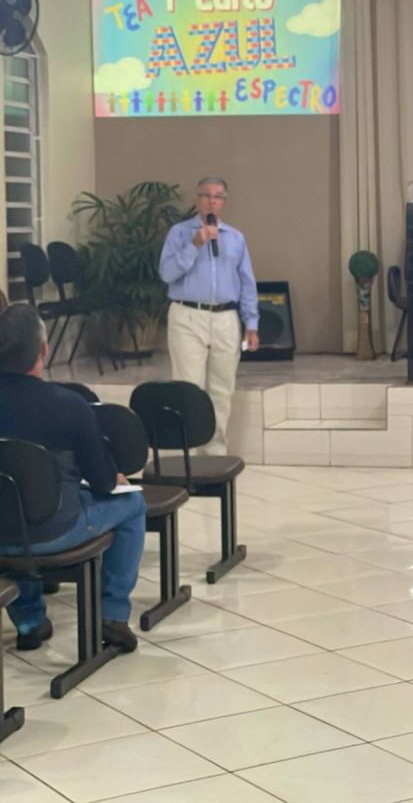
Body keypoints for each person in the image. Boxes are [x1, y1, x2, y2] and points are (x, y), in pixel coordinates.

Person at [0, 304, 146, 652]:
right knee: (133, 504)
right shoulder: (68, 405)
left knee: (15, 506)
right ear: (43, 349)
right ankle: (112, 615)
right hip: (55, 531)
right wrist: (115, 477)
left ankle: (29, 621)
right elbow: (102, 482)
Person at [159, 176, 259, 454]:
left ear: (224, 202)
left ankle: (215, 451)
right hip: (188, 315)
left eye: (218, 196)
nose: (212, 201)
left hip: (226, 318)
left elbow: (247, 282)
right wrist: (195, 245)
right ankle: (187, 453)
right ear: (197, 199)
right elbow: (167, 274)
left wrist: (251, 323)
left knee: (222, 389)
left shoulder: (235, 238)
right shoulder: (179, 233)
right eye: (206, 195)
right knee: (188, 388)